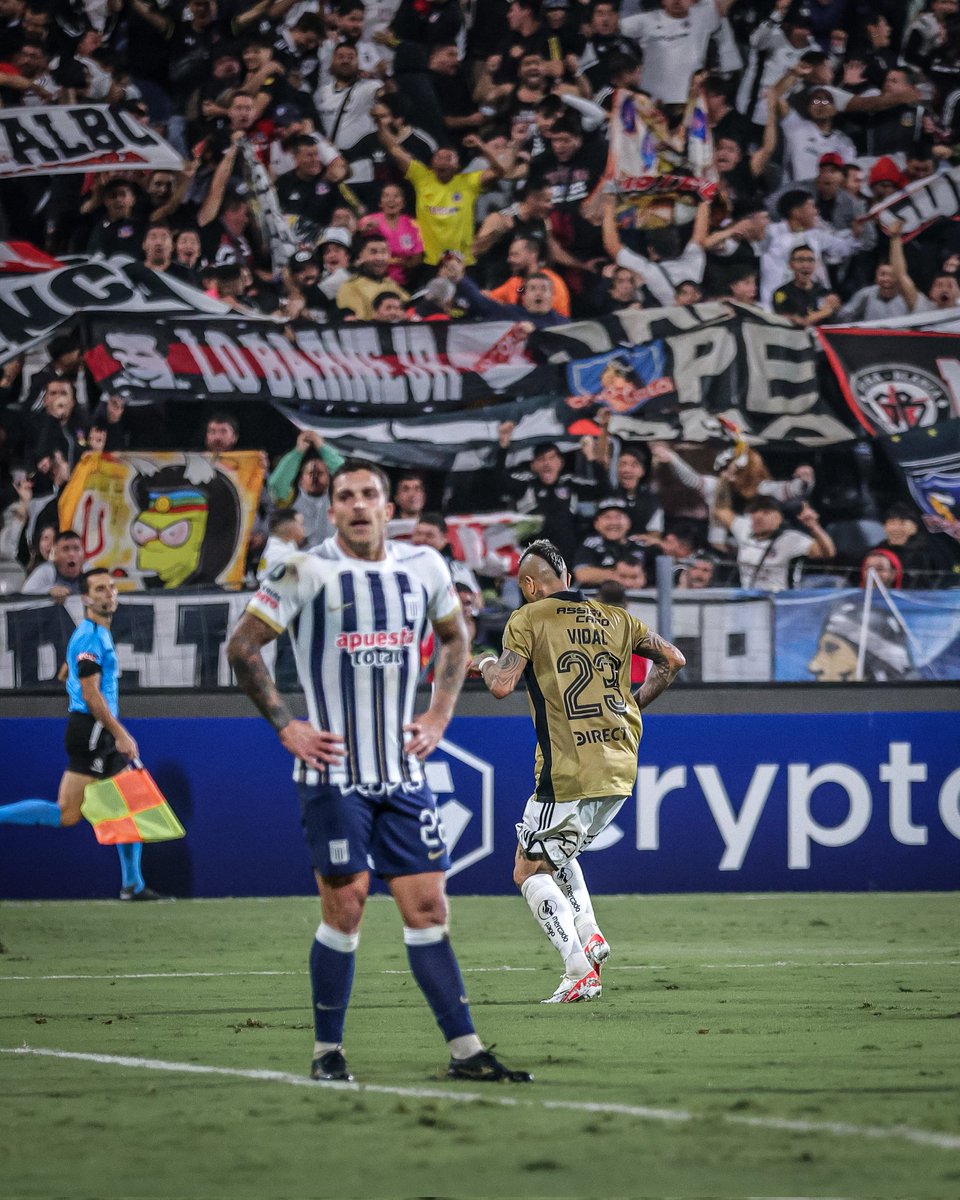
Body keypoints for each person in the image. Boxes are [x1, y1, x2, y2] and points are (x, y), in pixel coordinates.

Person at [226, 460, 530, 1085]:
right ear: (331, 510)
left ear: (389, 508)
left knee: (428, 908)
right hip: (333, 773)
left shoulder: (424, 567)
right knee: (349, 906)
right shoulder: (300, 568)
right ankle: (326, 1052)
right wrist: (288, 726)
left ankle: (467, 1051)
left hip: (402, 772)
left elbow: (456, 637)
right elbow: (242, 646)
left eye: (370, 495)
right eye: (346, 496)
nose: (359, 505)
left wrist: (440, 713)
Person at [470, 538, 685, 1003]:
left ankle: (577, 969)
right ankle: (589, 934)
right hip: (620, 764)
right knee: (560, 854)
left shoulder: (527, 617)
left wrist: (485, 661)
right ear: (567, 580)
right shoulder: (618, 618)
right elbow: (672, 659)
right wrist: (632, 706)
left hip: (567, 769)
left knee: (527, 870)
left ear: (529, 585)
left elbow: (503, 686)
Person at [0, 567, 168, 900]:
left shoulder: (93, 634)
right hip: (92, 730)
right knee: (67, 813)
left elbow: (70, 673)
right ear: (86, 598)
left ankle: (132, 885)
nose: (110, 594)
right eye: (101, 589)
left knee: (127, 804)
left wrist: (76, 679)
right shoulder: (91, 636)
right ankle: (132, 885)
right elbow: (91, 694)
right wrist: (121, 733)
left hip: (95, 729)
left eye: (112, 588)